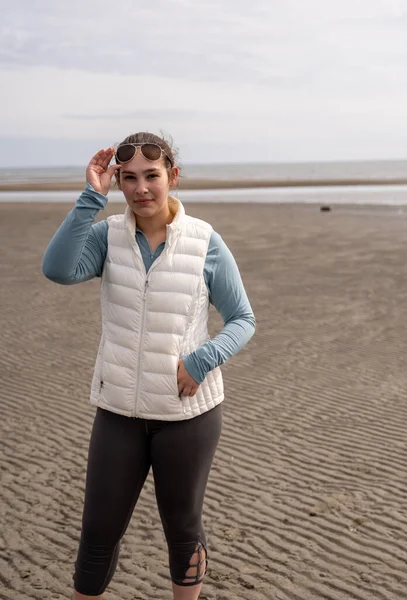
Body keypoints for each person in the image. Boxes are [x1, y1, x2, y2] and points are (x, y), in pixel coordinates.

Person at [42, 131, 256, 600]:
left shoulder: (205, 242)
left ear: (172, 177)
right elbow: (57, 269)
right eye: (130, 178)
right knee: (97, 532)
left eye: (152, 177)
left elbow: (243, 319)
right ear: (119, 182)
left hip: (188, 416)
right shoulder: (106, 237)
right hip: (118, 410)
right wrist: (89, 197)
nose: (142, 189)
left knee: (183, 529)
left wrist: (202, 360)